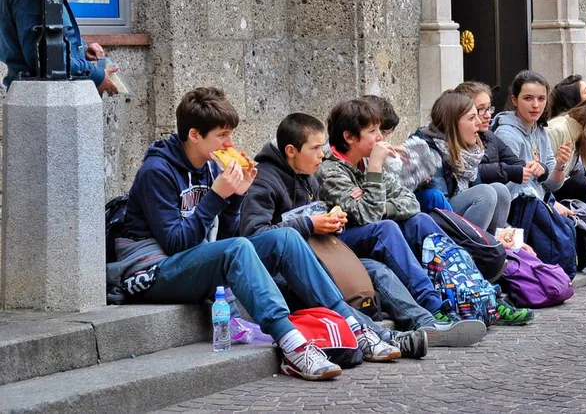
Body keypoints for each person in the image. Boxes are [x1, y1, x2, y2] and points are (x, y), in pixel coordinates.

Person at [114, 88, 421, 379]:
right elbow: (176, 243)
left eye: (230, 133)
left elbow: (228, 236)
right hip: (151, 271)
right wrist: (217, 197)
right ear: (194, 135)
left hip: (195, 261)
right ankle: (294, 345)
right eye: (222, 135)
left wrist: (234, 199)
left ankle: (353, 325)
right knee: (237, 249)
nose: (229, 142)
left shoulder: (208, 167)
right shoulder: (157, 171)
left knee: (285, 238)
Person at [241, 112, 486, 348]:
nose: (321, 155)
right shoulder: (265, 179)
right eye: (314, 149)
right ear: (291, 151)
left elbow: (407, 202)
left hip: (322, 252)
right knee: (382, 234)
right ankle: (383, 335)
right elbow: (255, 236)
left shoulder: (307, 175)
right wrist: (310, 224)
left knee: (379, 269)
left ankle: (428, 323)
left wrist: (333, 220)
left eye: (321, 147)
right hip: (287, 270)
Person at [316, 98, 455, 323]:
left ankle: (464, 288)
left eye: (380, 129)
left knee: (420, 220)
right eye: (372, 131)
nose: (380, 137)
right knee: (386, 228)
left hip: (367, 230)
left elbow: (410, 201)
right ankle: (431, 303)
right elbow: (368, 218)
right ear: (349, 137)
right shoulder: (330, 170)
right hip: (339, 240)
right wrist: (375, 169)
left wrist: (381, 205)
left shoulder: (364, 161)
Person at [395, 91, 511, 234]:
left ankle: (492, 244)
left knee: (500, 190)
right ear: (453, 124)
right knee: (485, 193)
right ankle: (474, 250)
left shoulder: (468, 151)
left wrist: (506, 231)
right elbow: (441, 207)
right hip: (434, 223)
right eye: (472, 118)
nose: (479, 122)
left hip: (454, 216)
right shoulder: (429, 152)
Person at [491, 71, 572, 206]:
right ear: (515, 100)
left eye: (541, 99)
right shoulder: (506, 133)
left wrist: (560, 165)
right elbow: (512, 187)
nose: (536, 105)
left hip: (539, 201)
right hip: (518, 205)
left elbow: (553, 185)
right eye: (528, 98)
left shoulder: (540, 131)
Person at [454, 81, 528, 189]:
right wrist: (507, 171)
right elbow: (472, 170)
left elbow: (515, 162)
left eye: (488, 108)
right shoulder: (453, 139)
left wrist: (535, 167)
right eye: (481, 110)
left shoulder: (489, 136)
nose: (488, 115)